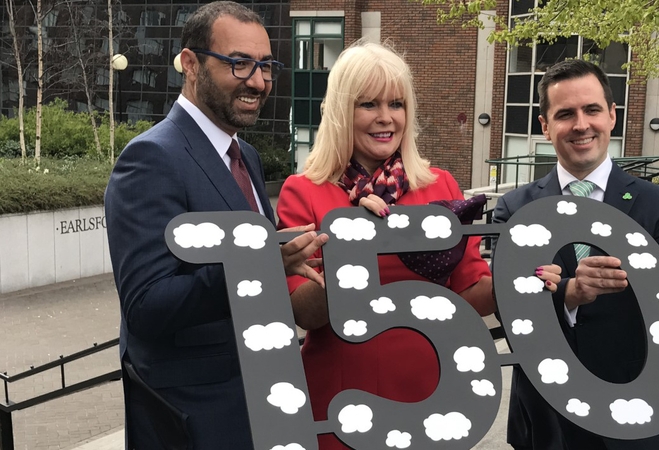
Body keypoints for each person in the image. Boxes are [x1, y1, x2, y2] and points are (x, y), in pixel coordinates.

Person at [276, 41, 561, 450]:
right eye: (368, 104)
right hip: (342, 397)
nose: (386, 117)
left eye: (397, 103)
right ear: (341, 110)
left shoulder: (439, 185)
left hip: (436, 390)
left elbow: (470, 291)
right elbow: (304, 313)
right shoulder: (303, 191)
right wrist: (355, 246)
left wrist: (521, 281)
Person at [104, 2, 327, 449]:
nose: (259, 81)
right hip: (193, 421)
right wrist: (261, 265)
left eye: (266, 66)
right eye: (239, 64)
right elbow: (147, 307)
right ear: (190, 64)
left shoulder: (247, 156)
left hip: (262, 406)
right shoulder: (149, 159)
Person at [493, 58, 659, 450]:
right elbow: (512, 309)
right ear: (545, 126)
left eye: (592, 109)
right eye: (565, 114)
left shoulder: (657, 205)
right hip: (548, 420)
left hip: (639, 414)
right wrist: (571, 294)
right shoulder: (514, 210)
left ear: (612, 116)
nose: (581, 124)